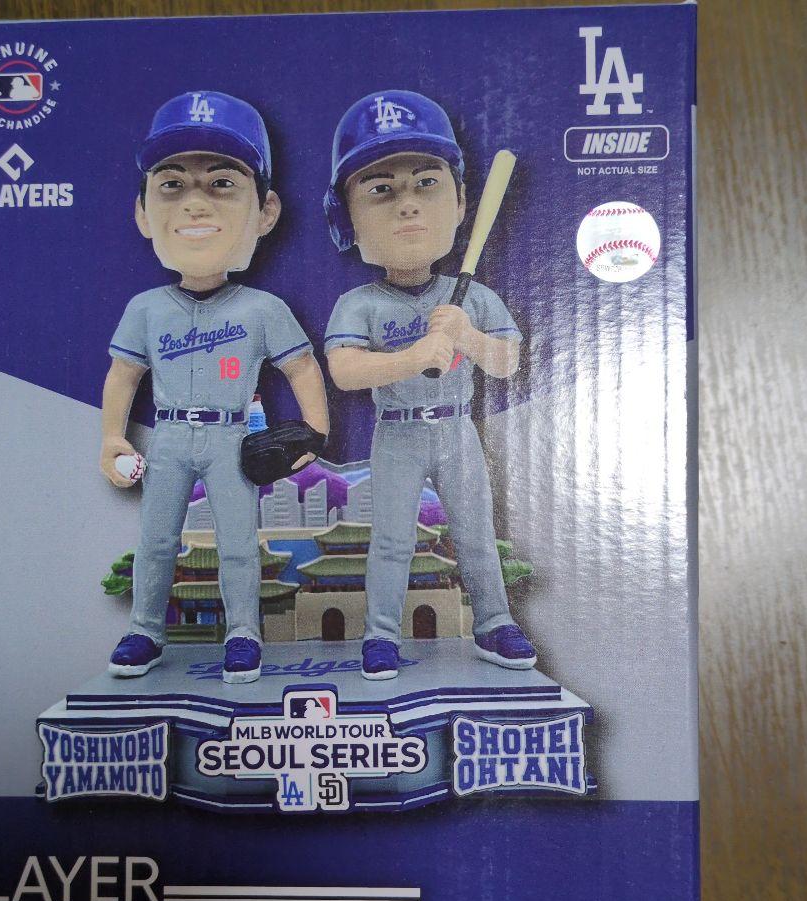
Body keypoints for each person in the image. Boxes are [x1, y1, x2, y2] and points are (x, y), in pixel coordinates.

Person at [102, 91, 328, 683]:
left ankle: (243, 633)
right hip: (170, 435)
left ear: (266, 211)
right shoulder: (146, 307)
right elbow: (123, 374)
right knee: (157, 540)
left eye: (222, 183)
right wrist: (111, 439)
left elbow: (302, 367)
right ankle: (144, 630)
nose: (196, 203)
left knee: (238, 543)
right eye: (172, 184)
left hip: (232, 438)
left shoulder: (262, 307)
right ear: (143, 213)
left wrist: (315, 432)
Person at [323, 91, 536, 681]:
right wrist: (414, 357)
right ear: (347, 218)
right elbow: (345, 370)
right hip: (396, 435)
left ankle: (494, 621)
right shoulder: (360, 302)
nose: (408, 206)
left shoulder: (472, 299)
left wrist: (467, 336)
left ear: (461, 202)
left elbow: (507, 362)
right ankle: (380, 634)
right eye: (381, 190)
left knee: (475, 532)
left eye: (426, 184)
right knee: (391, 540)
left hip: (456, 428)